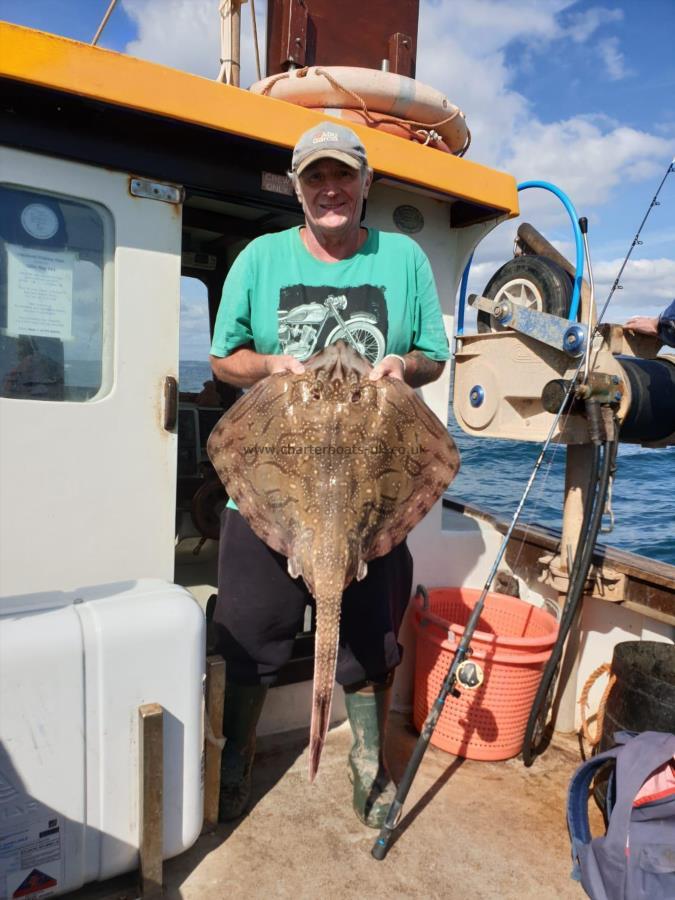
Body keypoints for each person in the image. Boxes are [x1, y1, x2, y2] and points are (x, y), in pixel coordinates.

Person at [209, 122, 450, 828]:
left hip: (369, 492)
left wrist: (402, 365)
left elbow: (431, 354)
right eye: (314, 178)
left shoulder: (401, 258)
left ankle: (365, 767)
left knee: (371, 637)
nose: (329, 189)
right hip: (269, 487)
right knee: (248, 631)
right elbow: (226, 360)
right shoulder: (260, 258)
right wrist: (271, 366)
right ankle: (232, 766)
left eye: (342, 175)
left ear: (366, 183)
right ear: (297, 187)